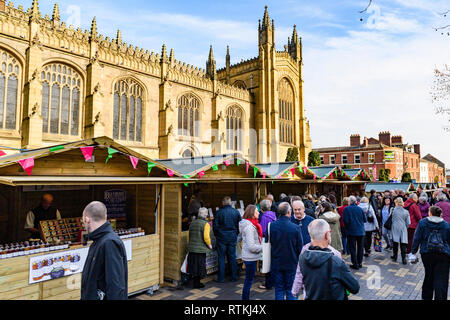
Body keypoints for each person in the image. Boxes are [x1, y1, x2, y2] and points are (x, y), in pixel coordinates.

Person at [294, 219, 360, 300]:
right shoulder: (336, 261)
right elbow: (355, 287)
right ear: (326, 235)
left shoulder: (303, 257)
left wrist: (295, 290)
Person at [81, 201, 128, 300]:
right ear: (105, 217)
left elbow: (116, 287)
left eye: (83, 222)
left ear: (87, 219)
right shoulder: (98, 241)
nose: (84, 226)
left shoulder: (109, 243)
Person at [411, 206, 450, 300]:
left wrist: (413, 252)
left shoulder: (423, 223)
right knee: (441, 279)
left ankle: (426, 297)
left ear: (430, 213)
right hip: (443, 254)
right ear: (440, 214)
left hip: (427, 253)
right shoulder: (446, 225)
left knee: (428, 276)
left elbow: (417, 238)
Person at [267, 202, 303, 300]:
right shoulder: (295, 228)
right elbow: (300, 248)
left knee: (279, 289)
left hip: (276, 262)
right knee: (291, 290)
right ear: (288, 212)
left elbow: (269, 243)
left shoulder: (271, 226)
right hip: (291, 263)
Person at [213, 196, 242, 283]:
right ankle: (234, 277)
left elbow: (215, 227)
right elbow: (239, 225)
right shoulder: (236, 212)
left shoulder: (218, 212)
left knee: (221, 258)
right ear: (230, 203)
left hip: (221, 237)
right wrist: (236, 234)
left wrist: (217, 235)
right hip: (232, 236)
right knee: (232, 257)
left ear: (222, 203)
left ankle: (221, 278)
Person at [239, 205, 263, 300]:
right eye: (257, 211)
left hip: (250, 257)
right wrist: (263, 248)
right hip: (250, 257)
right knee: (248, 281)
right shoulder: (249, 227)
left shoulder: (251, 224)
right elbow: (252, 246)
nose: (259, 212)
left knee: (249, 280)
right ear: (252, 213)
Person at [187, 207, 213, 289]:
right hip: (200, 249)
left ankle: (195, 282)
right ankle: (197, 283)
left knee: (194, 265)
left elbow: (189, 235)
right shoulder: (206, 224)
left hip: (192, 248)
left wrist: (190, 244)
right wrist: (209, 245)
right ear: (206, 215)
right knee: (199, 266)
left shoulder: (192, 223)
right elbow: (206, 237)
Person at [343, 196, 367, 269]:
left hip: (351, 231)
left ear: (349, 202)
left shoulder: (346, 209)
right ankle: (360, 262)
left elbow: (345, 220)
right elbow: (365, 219)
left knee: (352, 248)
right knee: (360, 248)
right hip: (361, 231)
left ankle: (355, 263)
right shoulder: (360, 209)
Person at [257, 199, 276, 290]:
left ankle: (269, 283)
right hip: (274, 241)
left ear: (261, 209)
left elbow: (263, 231)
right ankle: (273, 281)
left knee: (267, 262)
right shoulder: (273, 214)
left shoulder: (264, 217)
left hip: (267, 242)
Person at [391, 197, 411, 265]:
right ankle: (403, 259)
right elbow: (408, 222)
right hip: (403, 227)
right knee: (403, 244)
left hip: (394, 227)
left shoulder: (393, 210)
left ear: (396, 203)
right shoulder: (406, 212)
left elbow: (391, 219)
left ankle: (395, 256)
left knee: (395, 243)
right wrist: (405, 227)